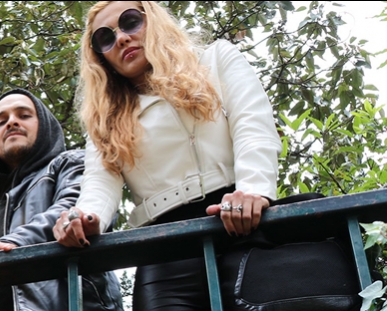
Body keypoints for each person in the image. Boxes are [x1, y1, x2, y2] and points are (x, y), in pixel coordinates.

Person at [57, 1, 281, 310]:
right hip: (165, 249)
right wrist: (81, 218)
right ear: (101, 57)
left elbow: (253, 127)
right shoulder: (105, 118)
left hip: (241, 220)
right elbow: (98, 185)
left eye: (130, 22)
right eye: (105, 38)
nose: (121, 38)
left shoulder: (216, 59)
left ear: (153, 20)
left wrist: (254, 190)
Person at [0, 89, 123, 311]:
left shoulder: (70, 163)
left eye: (24, 115)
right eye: (1, 121)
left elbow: (73, 207)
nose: (11, 123)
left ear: (44, 125)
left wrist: (14, 242)